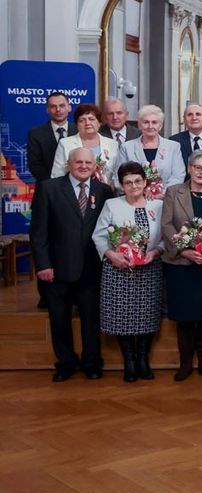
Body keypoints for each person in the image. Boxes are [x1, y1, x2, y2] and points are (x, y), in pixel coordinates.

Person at [30, 147, 113, 381]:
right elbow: (38, 231)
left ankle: (91, 363)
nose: (84, 166)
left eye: (88, 163)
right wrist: (43, 265)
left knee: (91, 320)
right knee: (59, 319)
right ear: (69, 164)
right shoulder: (48, 188)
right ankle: (65, 363)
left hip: (92, 269)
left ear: (95, 166)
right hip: (57, 268)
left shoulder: (104, 191)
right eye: (79, 162)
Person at [93, 161, 164, 382]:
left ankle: (143, 360)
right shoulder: (112, 205)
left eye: (138, 181)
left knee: (147, 315)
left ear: (145, 182)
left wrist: (156, 252)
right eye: (128, 182)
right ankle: (129, 362)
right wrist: (111, 255)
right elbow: (99, 235)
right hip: (119, 269)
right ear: (121, 185)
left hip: (149, 269)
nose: (134, 186)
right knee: (121, 316)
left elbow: (166, 237)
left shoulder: (158, 205)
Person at [160, 150, 202, 381]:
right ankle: (185, 364)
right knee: (185, 316)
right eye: (197, 167)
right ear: (189, 168)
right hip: (182, 264)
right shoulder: (174, 192)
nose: (201, 172)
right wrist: (185, 251)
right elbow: (167, 225)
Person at [115, 104, 185, 198]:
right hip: (134, 199)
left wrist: (160, 193)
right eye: (146, 122)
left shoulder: (173, 147)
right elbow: (118, 177)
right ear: (139, 125)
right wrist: (140, 192)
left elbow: (178, 176)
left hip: (165, 200)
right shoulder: (126, 147)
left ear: (160, 126)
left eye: (154, 122)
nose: (150, 126)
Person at [50, 103, 118, 184]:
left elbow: (117, 174)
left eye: (91, 119)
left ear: (99, 123)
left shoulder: (113, 144)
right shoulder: (65, 144)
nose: (87, 123)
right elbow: (57, 174)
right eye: (82, 120)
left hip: (105, 189)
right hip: (73, 189)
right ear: (77, 125)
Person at [27, 91, 75, 182]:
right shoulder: (35, 134)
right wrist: (54, 185)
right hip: (47, 186)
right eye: (53, 106)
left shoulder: (79, 131)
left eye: (62, 106)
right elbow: (35, 165)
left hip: (76, 186)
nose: (58, 110)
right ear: (47, 110)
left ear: (69, 108)